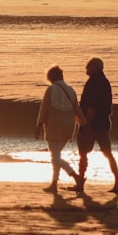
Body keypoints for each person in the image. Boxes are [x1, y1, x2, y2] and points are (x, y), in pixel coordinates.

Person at [34, 64, 86, 193]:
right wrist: (83, 123)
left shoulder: (51, 90)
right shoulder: (71, 90)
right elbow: (77, 109)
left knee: (55, 158)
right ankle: (54, 184)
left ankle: (76, 176)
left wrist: (39, 126)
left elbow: (44, 109)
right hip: (68, 128)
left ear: (51, 77)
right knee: (56, 156)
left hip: (54, 127)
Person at [75, 57, 118, 195]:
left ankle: (80, 183)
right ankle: (117, 181)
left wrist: (86, 124)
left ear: (95, 68)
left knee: (83, 153)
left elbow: (91, 107)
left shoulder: (93, 83)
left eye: (88, 66)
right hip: (104, 123)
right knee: (108, 153)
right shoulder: (105, 82)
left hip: (93, 124)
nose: (86, 68)